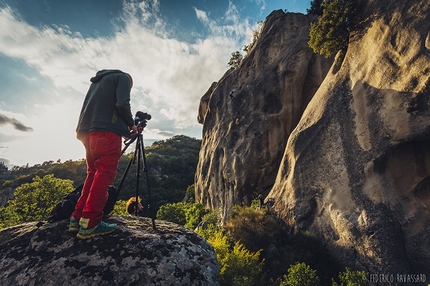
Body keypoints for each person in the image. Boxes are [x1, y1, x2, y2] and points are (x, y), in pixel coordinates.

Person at [69, 69, 138, 239]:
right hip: (106, 135)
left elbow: (106, 112)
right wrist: (131, 124)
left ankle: (77, 218)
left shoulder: (97, 82)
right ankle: (91, 222)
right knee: (104, 175)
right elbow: (122, 104)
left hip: (87, 133)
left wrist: (127, 130)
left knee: (93, 174)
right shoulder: (123, 78)